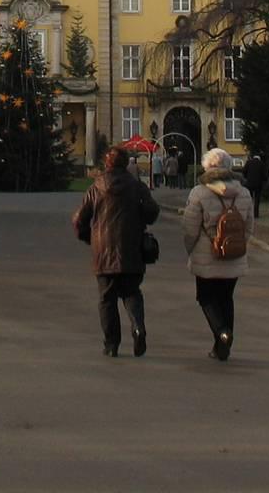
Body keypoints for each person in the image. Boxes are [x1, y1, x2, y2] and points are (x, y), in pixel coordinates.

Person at [73, 146, 161, 357]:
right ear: (125, 164)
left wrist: (89, 238)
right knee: (132, 292)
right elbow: (152, 212)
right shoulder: (137, 186)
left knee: (107, 299)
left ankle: (111, 344)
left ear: (107, 164)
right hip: (131, 248)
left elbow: (79, 220)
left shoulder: (96, 188)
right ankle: (138, 327)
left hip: (103, 251)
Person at [182, 147, 255, 361]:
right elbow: (249, 225)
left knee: (206, 298)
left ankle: (222, 333)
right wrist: (238, 244)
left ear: (207, 167)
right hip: (234, 254)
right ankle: (221, 346)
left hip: (207, 253)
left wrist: (191, 248)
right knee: (226, 298)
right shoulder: (243, 192)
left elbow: (190, 228)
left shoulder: (199, 192)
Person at [242, 152, 266, 220]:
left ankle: (249, 213)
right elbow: (264, 175)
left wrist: (247, 177)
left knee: (250, 198)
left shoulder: (248, 162)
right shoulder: (261, 163)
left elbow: (243, 171)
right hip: (258, 184)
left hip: (249, 183)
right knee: (257, 199)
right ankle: (256, 214)